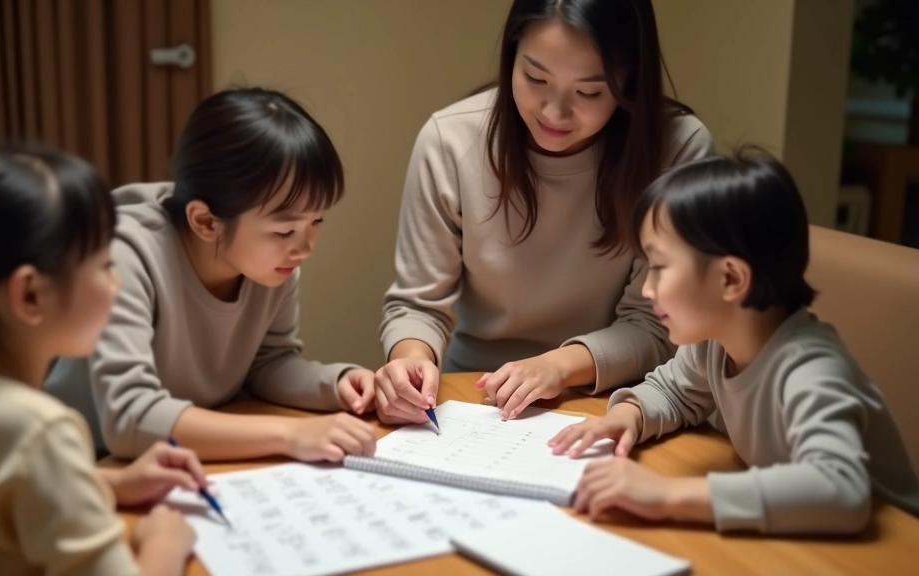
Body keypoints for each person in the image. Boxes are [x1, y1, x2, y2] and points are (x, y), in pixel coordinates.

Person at [376, 0, 714, 425]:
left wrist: (556, 365)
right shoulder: (450, 141)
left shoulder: (677, 149)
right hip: (475, 391)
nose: (555, 112)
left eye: (589, 91)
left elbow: (657, 324)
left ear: (629, 78)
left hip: (619, 399)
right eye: (535, 78)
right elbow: (418, 304)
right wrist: (409, 360)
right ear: (512, 55)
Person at [551, 149, 919, 534]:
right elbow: (675, 393)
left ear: (730, 279)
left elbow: (840, 488)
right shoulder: (715, 342)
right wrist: (628, 416)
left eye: (659, 267)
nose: (647, 289)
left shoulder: (811, 370)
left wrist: (669, 495)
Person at [0, 145, 205, 575]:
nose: (116, 284)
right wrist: (164, 542)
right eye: (103, 265)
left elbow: (0, 493)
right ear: (30, 295)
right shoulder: (39, 430)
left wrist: (114, 482)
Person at [46, 87, 377, 462]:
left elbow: (267, 363)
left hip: (186, 456)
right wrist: (290, 434)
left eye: (317, 220)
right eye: (285, 230)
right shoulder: (123, 257)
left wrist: (337, 384)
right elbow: (129, 419)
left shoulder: (274, 264)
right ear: (206, 221)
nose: (305, 246)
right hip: (88, 465)